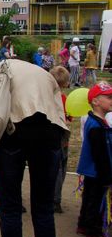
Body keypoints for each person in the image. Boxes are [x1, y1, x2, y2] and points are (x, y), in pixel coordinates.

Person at [0, 60, 69, 237]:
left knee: (10, 208)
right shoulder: (46, 76)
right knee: (43, 210)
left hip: (15, 131)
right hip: (49, 132)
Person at [76, 82, 112, 237]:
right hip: (96, 170)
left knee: (89, 198)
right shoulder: (96, 125)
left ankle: (84, 224)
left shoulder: (96, 121)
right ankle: (93, 230)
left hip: (92, 170)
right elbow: (100, 153)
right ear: (96, 101)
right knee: (96, 202)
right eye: (109, 97)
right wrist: (106, 174)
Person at [49, 66, 71, 214]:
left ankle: (53, 199)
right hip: (62, 137)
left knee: (56, 169)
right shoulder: (63, 98)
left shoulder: (47, 97)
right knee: (60, 168)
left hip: (53, 136)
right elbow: (69, 117)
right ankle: (55, 200)